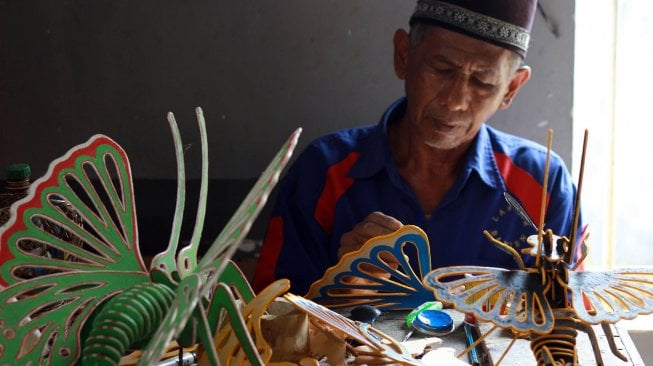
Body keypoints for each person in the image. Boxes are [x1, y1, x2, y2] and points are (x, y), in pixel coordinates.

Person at [253, 0, 582, 295]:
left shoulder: (544, 186)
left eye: (482, 81)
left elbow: (571, 322)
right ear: (404, 56)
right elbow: (270, 313)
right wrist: (342, 285)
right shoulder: (324, 173)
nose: (454, 101)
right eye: (442, 69)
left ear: (510, 88)